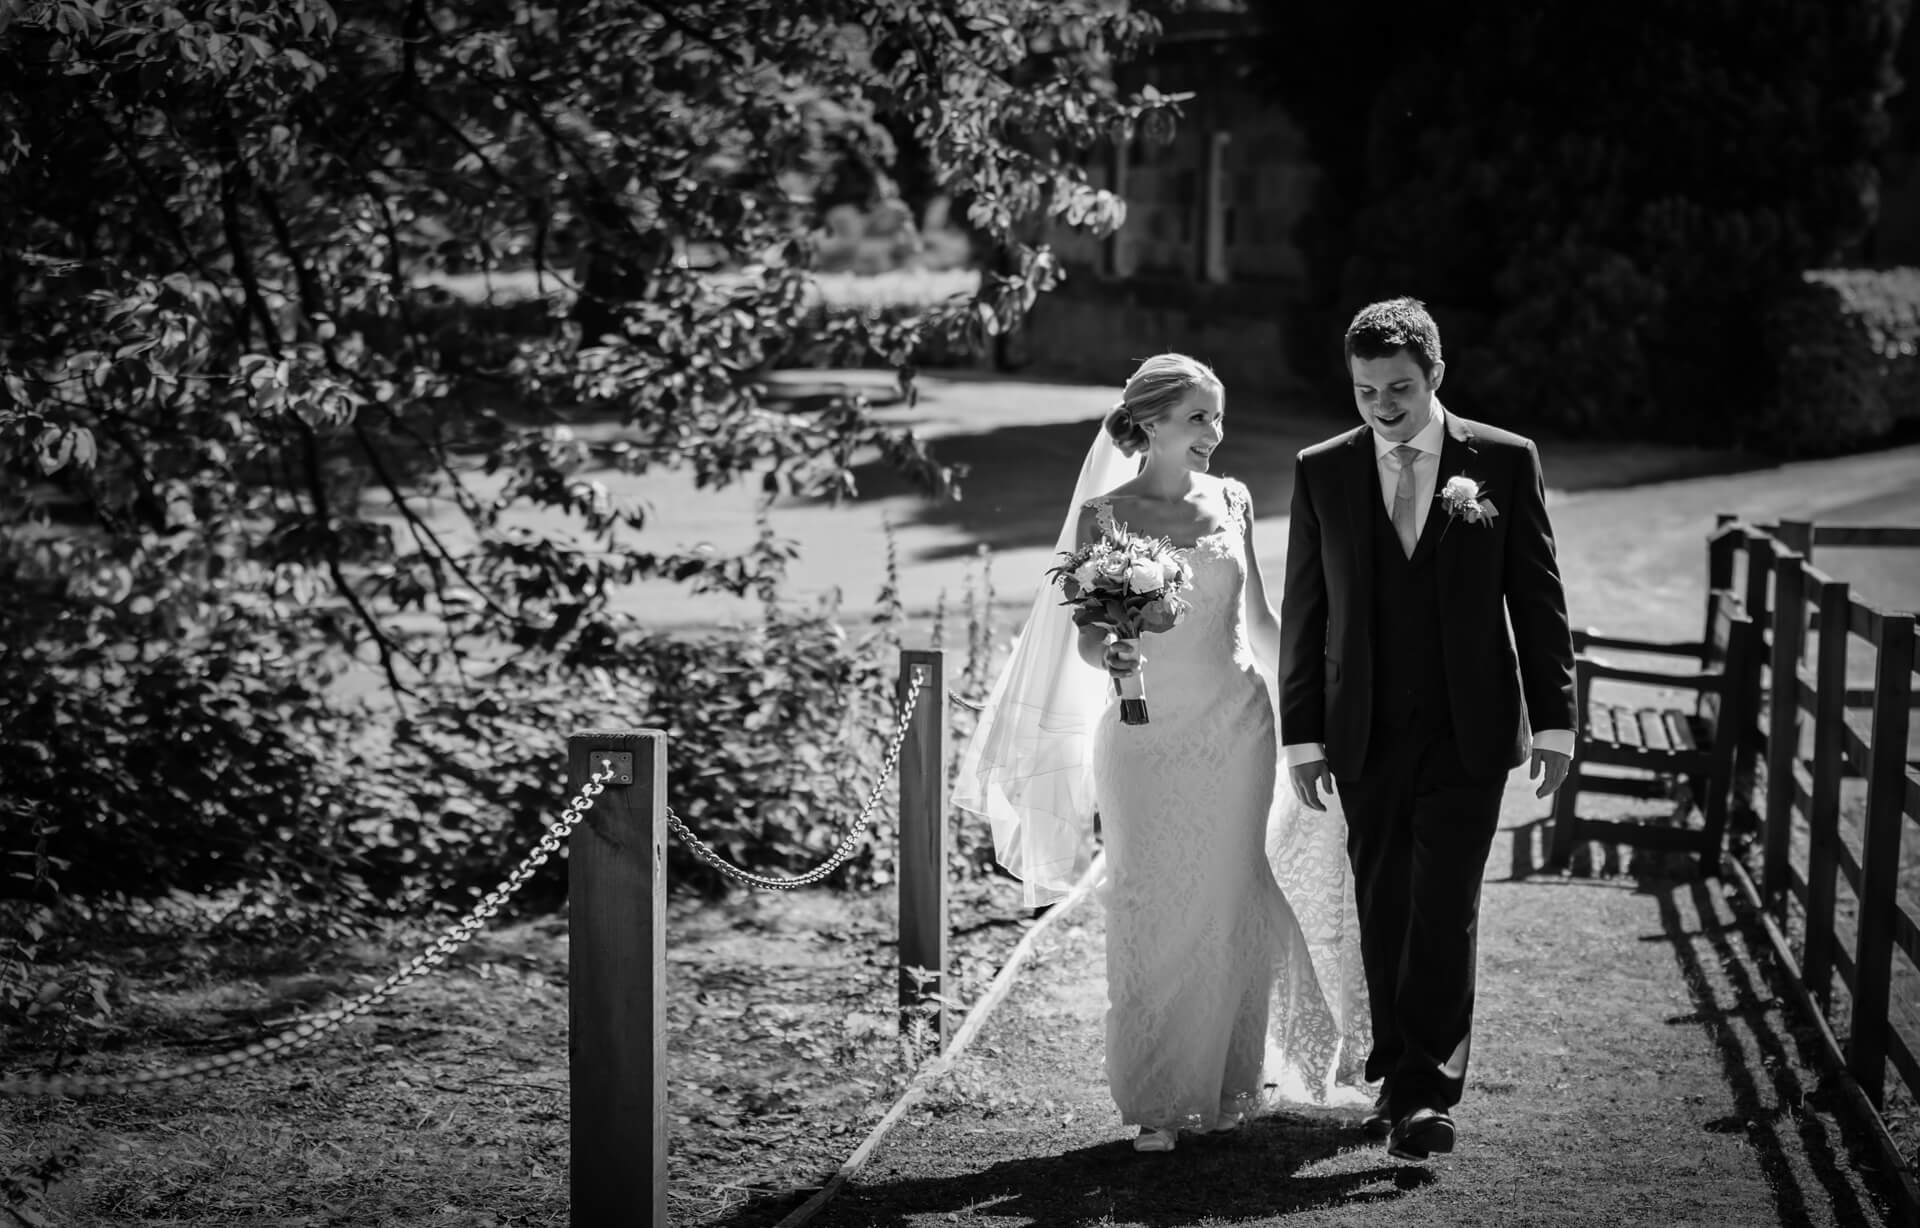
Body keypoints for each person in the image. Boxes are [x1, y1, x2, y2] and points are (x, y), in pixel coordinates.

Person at [956, 353, 1370, 1153]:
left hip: (1236, 727)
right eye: (1197, 418)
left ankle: (1223, 1084)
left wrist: (1315, 709)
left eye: (1218, 417)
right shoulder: (1103, 517)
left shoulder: (1234, 500)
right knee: (1148, 902)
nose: (1215, 433)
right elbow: (1084, 644)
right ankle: (1154, 1097)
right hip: (1142, 735)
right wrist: (1109, 657)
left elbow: (1258, 619)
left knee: (1227, 896)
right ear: (1149, 424)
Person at [1278, 297, 1577, 1162]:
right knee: (1384, 907)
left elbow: (1539, 598)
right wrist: (1304, 736)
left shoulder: (1505, 462)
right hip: (1360, 732)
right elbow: (1308, 611)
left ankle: (1424, 1096)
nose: (1381, 405)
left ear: (1437, 375)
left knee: (1444, 908)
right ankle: (1396, 1073)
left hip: (1467, 729)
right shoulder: (1322, 469)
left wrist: (1555, 722)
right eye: (1366, 389)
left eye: (1399, 387)